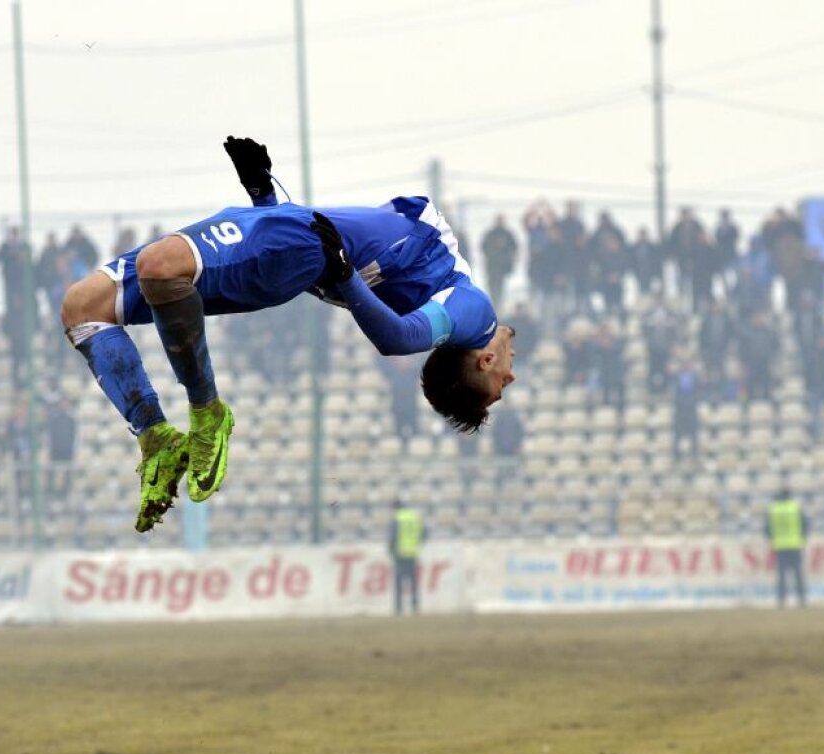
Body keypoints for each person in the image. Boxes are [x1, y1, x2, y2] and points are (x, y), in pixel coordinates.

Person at [59, 136, 513, 532]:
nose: (509, 381)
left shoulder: (477, 318)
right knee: (83, 308)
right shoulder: (425, 292)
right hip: (288, 241)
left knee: (158, 266)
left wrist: (343, 272)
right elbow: (315, 234)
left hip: (295, 249)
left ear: (484, 362)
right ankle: (154, 436)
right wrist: (263, 191)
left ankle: (206, 413)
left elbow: (397, 336)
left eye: (496, 391)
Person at [765, 487, 810, 608]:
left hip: (780, 546)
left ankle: (781, 601)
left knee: (781, 575)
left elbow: (767, 528)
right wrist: (803, 538)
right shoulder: (795, 507)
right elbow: (805, 524)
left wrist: (772, 539)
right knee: (798, 574)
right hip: (795, 544)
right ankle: (802, 600)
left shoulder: (774, 509)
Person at [388, 499, 426, 616]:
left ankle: (399, 609)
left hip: (400, 554)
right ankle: (415, 607)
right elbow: (424, 533)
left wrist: (391, 551)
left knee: (399, 583)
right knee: (413, 582)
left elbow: (393, 537)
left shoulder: (397, 518)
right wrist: (417, 544)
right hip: (413, 553)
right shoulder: (414, 517)